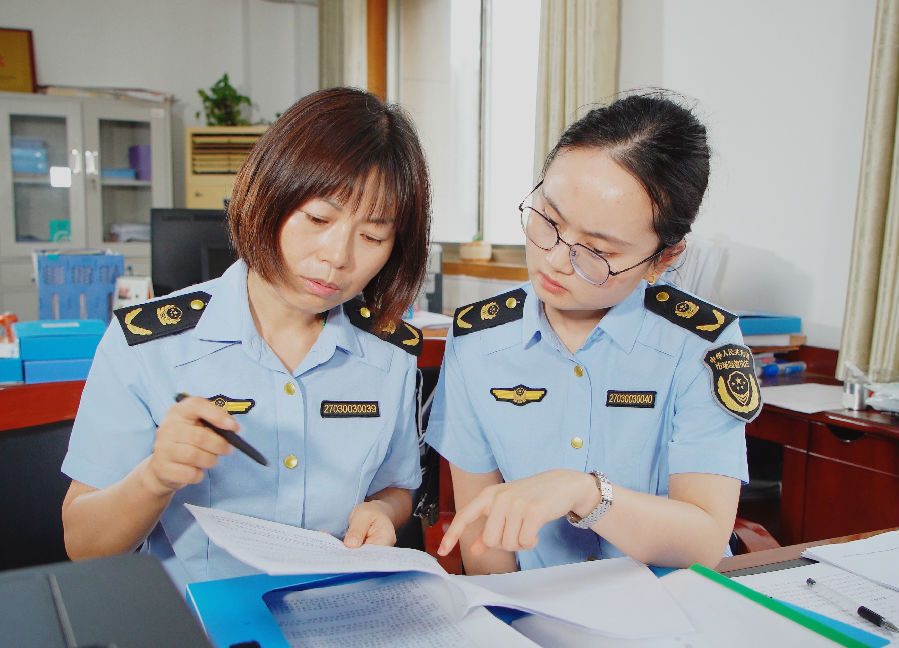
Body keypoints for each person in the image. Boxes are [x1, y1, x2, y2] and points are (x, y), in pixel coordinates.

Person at [61, 87, 432, 592]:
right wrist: (155, 478)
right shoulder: (147, 344)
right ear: (270, 195)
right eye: (319, 219)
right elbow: (83, 546)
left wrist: (382, 511)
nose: (338, 256)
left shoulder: (390, 354)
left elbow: (396, 485)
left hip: (337, 614)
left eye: (372, 236)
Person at [426, 92, 760, 575]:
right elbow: (483, 535)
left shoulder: (702, 345)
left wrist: (586, 493)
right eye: (548, 220)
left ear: (664, 259)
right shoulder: (478, 339)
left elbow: (706, 541)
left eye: (598, 251)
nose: (556, 260)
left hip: (670, 614)